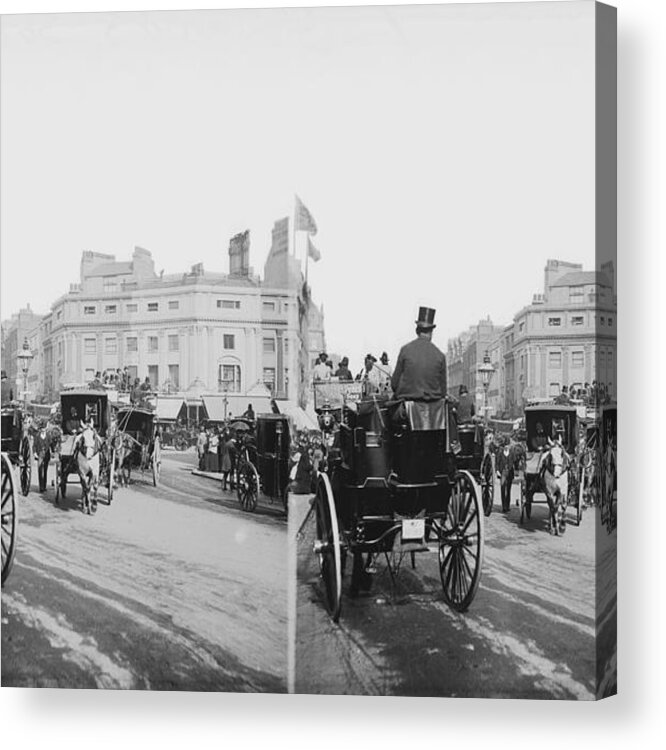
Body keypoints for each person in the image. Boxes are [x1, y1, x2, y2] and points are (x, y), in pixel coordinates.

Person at [391, 307, 447, 401]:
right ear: (431, 332)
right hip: (434, 411)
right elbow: (443, 392)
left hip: (407, 408)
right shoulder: (440, 356)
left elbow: (394, 384)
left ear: (417, 330)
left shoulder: (405, 350)